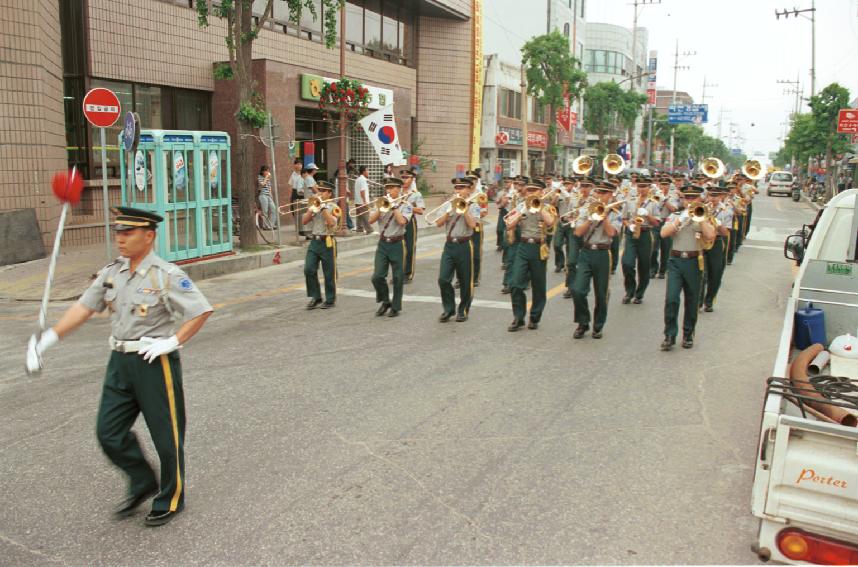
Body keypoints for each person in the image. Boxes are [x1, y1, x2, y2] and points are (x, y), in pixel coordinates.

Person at [25, 207, 213, 527]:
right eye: (118, 233)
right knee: (108, 432)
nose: (120, 239)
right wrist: (47, 340)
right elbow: (84, 308)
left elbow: (201, 311)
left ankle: (171, 496)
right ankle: (142, 480)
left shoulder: (166, 275)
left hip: (154, 361)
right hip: (119, 362)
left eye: (128, 233)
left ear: (149, 236)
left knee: (166, 436)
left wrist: (173, 341)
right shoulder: (111, 273)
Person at [659, 185, 716, 351]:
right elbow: (664, 233)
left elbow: (711, 235)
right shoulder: (676, 215)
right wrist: (681, 218)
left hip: (693, 261)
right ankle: (669, 335)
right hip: (675, 260)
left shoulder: (704, 216)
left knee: (692, 300)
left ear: (700, 199)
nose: (690, 201)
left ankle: (688, 334)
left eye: (693, 198)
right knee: (671, 299)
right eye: (687, 198)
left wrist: (701, 219)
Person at [571, 181, 622, 339]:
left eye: (604, 193)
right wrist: (591, 218)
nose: (600, 196)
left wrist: (603, 215)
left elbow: (612, 233)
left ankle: (598, 325)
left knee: (601, 293)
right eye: (598, 193)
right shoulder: (586, 210)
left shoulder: (615, 213)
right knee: (577, 289)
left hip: (603, 253)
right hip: (586, 252)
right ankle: (583, 322)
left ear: (611, 195)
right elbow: (578, 233)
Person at [504, 179, 556, 331]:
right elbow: (509, 224)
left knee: (538, 285)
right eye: (529, 190)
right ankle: (518, 317)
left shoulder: (548, 207)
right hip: (524, 245)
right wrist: (521, 213)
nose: (530, 193)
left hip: (539, 247)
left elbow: (551, 222)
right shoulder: (521, 206)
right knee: (515, 283)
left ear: (541, 192)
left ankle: (534, 317)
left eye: (534, 190)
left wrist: (538, 208)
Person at [434, 178, 481, 322]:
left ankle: (463, 310)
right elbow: (438, 223)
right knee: (443, 279)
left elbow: (473, 225)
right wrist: (449, 210)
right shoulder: (448, 204)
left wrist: (464, 209)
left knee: (466, 281)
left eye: (462, 187)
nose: (458, 190)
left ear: (469, 190)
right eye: (457, 187)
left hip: (465, 245)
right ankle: (448, 309)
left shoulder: (474, 206)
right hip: (449, 245)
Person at [369, 178, 413, 317]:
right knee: (377, 276)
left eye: (392, 188)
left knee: (398, 277)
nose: (389, 190)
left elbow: (401, 221)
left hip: (397, 243)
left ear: (399, 189)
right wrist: (381, 208)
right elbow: (370, 220)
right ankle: (385, 301)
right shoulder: (382, 202)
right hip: (383, 243)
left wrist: (394, 207)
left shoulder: (406, 205)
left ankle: (396, 306)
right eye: (387, 188)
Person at [620, 176, 660, 305]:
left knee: (644, 266)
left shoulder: (653, 203)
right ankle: (629, 291)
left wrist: (647, 214)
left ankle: (639, 293)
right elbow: (624, 218)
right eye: (640, 186)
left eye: (644, 186)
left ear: (649, 188)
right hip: (631, 234)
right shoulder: (630, 201)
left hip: (645, 234)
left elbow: (657, 223)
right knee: (627, 263)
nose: (642, 189)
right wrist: (628, 225)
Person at [303, 181, 340, 310]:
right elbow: (304, 221)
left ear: (330, 193)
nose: (320, 193)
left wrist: (323, 208)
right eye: (319, 190)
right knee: (309, 269)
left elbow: (331, 223)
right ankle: (316, 297)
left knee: (329, 273)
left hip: (327, 241)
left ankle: (330, 299)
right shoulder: (315, 204)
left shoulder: (334, 207)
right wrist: (312, 208)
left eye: (323, 191)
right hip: (314, 241)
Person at [700, 185, 733, 313]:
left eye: (715, 196)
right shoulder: (702, 208)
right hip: (702, 241)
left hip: (717, 242)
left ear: (721, 197)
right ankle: (698, 301)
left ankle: (709, 301)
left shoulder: (726, 211)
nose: (712, 198)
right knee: (702, 272)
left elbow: (726, 233)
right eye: (710, 195)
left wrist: (718, 225)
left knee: (715, 274)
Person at [400, 168, 424, 283]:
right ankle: (398, 274)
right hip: (397, 221)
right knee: (398, 249)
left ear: (412, 179)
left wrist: (408, 206)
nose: (404, 180)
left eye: (406, 178)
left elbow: (420, 210)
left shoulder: (416, 194)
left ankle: (408, 274)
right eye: (402, 177)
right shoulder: (397, 192)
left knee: (409, 249)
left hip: (410, 222)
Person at [353, 165, 373, 234]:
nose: (368, 172)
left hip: (357, 201)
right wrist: (365, 202)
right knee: (366, 216)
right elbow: (362, 192)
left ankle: (359, 229)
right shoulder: (363, 180)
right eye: (367, 170)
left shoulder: (358, 179)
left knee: (359, 216)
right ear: (364, 172)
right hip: (362, 201)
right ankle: (369, 230)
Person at [257, 165, 277, 229]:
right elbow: (262, 184)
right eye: (266, 171)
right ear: (262, 171)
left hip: (268, 195)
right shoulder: (259, 177)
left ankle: (271, 224)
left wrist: (271, 195)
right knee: (265, 211)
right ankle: (265, 226)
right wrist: (266, 177)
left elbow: (269, 187)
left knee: (274, 209)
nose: (267, 172)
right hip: (263, 195)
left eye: (268, 171)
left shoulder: (268, 178)